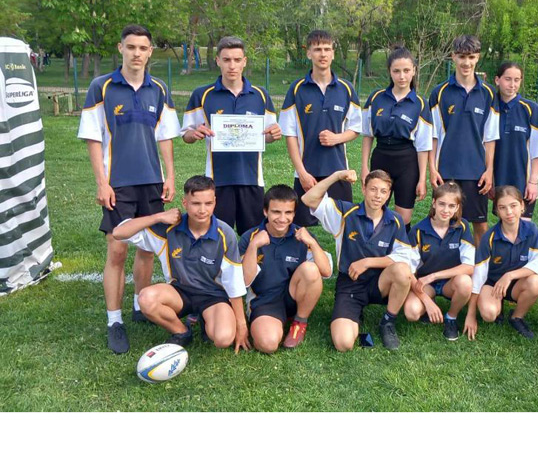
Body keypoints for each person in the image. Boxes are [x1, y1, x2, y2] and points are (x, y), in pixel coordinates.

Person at [77, 24, 181, 354]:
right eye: (131, 47)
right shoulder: (102, 87)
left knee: (147, 247)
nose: (137, 53)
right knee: (118, 249)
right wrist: (102, 182)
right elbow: (93, 137)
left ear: (150, 52)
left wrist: (170, 176)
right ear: (121, 48)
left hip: (151, 182)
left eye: (143, 48)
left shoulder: (159, 89)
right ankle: (114, 320)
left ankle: (140, 304)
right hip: (117, 183)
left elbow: (165, 136)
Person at [111, 176, 250, 353]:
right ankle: (181, 331)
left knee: (223, 339)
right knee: (146, 298)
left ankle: (205, 318)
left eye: (208, 203)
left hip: (212, 296)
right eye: (195, 203)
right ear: (185, 203)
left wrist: (241, 324)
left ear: (215, 202)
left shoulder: (225, 233)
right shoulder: (168, 229)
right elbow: (119, 232)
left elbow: (234, 281)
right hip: (179, 293)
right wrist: (158, 217)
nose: (202, 210)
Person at [301, 169, 417, 351]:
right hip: (351, 283)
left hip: (380, 282)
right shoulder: (345, 213)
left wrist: (367, 262)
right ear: (363, 189)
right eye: (373, 189)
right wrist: (337, 176)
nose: (377, 196)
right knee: (343, 343)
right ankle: (355, 312)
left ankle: (388, 322)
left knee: (402, 271)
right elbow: (309, 199)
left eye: (383, 191)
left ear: (388, 195)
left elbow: (405, 257)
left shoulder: (395, 220)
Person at [181, 36, 281, 235]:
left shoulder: (260, 95)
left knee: (253, 236)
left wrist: (274, 134)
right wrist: (195, 133)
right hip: (217, 180)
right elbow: (186, 135)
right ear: (218, 60)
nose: (232, 65)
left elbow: (267, 136)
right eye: (226, 60)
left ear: (244, 61)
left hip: (252, 179)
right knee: (216, 236)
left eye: (237, 60)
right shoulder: (202, 95)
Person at [279, 30, 361, 227]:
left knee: (344, 226)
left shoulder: (346, 89)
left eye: (327, 49)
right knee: (300, 229)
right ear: (309, 53)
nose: (322, 54)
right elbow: (289, 135)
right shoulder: (297, 89)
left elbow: (356, 128)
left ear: (333, 53)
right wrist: (302, 173)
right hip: (307, 173)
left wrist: (336, 138)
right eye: (317, 49)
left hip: (338, 171)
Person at [239, 185, 332, 353]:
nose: (282, 219)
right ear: (265, 211)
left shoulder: (301, 235)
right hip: (264, 300)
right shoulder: (250, 237)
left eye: (288, 212)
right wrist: (254, 246)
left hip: (293, 295)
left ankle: (299, 322)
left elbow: (326, 271)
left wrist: (312, 243)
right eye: (276, 212)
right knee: (267, 344)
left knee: (311, 269)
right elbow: (244, 281)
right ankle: (273, 322)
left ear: (294, 213)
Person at [429, 35, 499, 246]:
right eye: (461, 57)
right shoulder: (439, 92)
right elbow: (433, 135)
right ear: (453, 57)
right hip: (446, 170)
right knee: (445, 222)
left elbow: (490, 137)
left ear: (477, 58)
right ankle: (447, 262)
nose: (466, 62)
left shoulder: (489, 93)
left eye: (471, 57)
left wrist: (489, 170)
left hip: (476, 172)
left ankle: (479, 265)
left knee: (480, 225)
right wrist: (432, 168)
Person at [361, 47, 432, 232]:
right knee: (374, 210)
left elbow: (423, 146)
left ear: (414, 70)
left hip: (406, 162)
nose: (402, 76)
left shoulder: (420, 104)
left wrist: (422, 179)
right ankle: (375, 246)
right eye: (396, 71)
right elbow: (367, 135)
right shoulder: (376, 98)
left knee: (403, 218)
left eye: (406, 70)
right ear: (390, 72)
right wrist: (364, 167)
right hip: (380, 157)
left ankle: (401, 248)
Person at [465, 186, 538, 340]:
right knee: (489, 314)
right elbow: (479, 275)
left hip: (517, 284)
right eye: (502, 207)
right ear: (496, 210)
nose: (509, 212)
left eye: (513, 206)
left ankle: (517, 317)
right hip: (493, 285)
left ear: (522, 206)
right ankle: (497, 305)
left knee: (536, 282)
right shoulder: (489, 237)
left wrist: (509, 276)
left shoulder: (531, 230)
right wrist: (471, 314)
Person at [403, 182, 474, 341]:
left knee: (465, 282)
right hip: (425, 284)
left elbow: (469, 267)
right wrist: (426, 301)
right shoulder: (418, 231)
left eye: (451, 206)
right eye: (442, 204)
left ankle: (451, 317)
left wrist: (434, 276)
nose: (446, 210)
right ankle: (430, 303)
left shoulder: (462, 227)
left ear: (457, 208)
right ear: (434, 203)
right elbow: (408, 271)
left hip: (451, 282)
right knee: (411, 312)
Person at [492, 61, 538, 219]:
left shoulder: (530, 109)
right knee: (505, 224)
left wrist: (533, 182)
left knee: (523, 225)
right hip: (498, 179)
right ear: (497, 80)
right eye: (508, 79)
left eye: (516, 80)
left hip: (522, 180)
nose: (512, 85)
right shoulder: (490, 107)